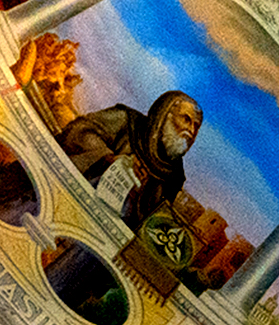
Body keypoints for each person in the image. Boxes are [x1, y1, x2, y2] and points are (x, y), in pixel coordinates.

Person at [60, 89, 202, 229]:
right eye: (186, 120)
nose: (191, 131)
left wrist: (137, 194)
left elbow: (148, 223)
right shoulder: (126, 120)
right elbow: (78, 132)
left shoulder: (174, 178)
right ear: (165, 115)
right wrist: (109, 159)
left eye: (196, 127)